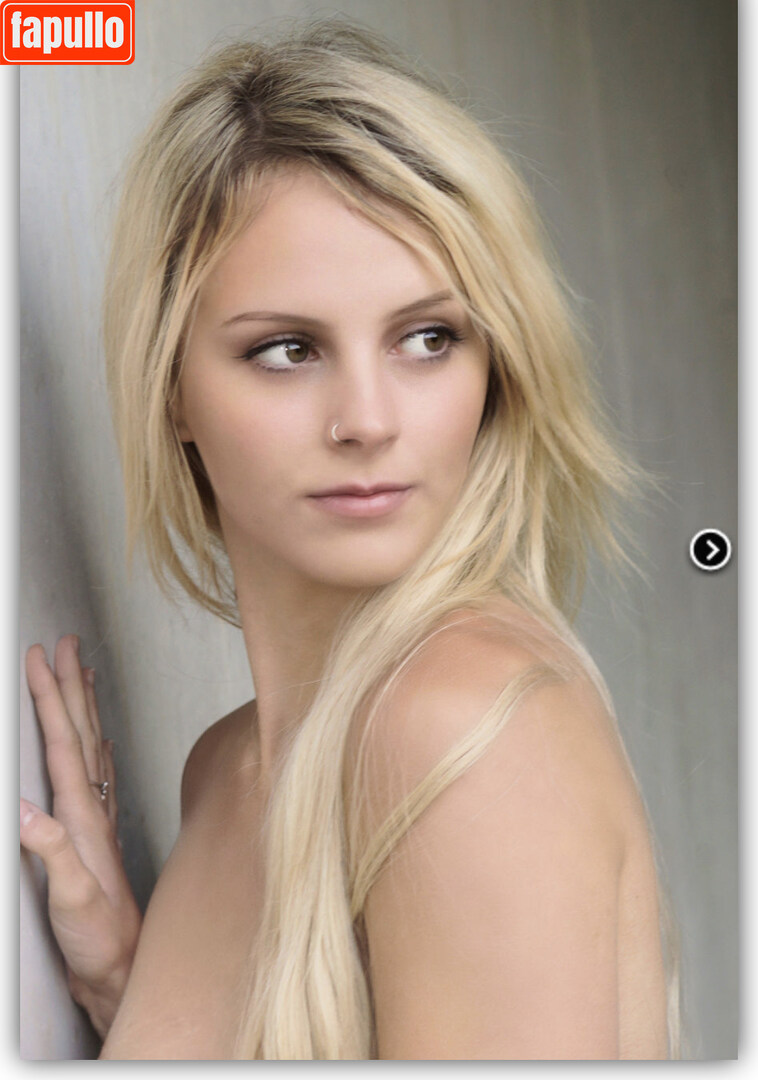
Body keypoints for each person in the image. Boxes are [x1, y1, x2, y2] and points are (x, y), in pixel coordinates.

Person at [20, 17, 681, 1060]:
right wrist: (127, 999)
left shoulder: (458, 729)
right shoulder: (223, 771)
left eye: (428, 338)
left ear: (496, 366)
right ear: (171, 388)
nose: (368, 420)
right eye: (288, 350)